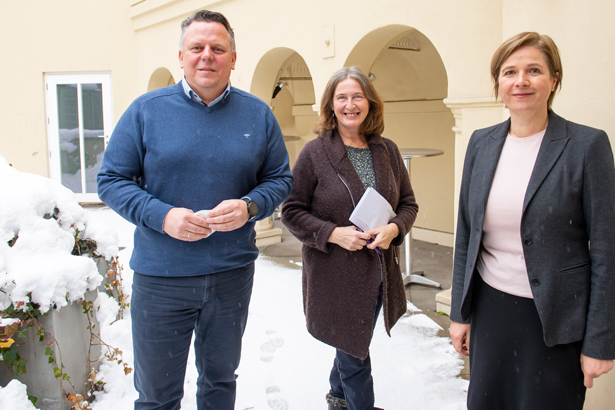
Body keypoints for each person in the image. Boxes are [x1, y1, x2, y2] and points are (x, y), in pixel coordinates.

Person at [97, 9, 292, 410]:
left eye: (218, 48)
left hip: (231, 275)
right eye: (197, 47)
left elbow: (280, 180)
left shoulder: (258, 115)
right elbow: (111, 180)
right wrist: (162, 215)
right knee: (156, 397)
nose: (207, 56)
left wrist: (249, 206)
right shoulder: (146, 111)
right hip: (161, 277)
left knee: (220, 383)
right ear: (181, 56)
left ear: (233, 58)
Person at [449, 32, 615, 410]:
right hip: (491, 311)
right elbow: (466, 235)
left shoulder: (587, 146)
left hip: (556, 322)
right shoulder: (481, 142)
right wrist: (461, 313)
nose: (520, 81)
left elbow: (607, 249)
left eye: (534, 70)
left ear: (554, 80)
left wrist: (600, 342)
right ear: (499, 84)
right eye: (509, 72)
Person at [281, 66, 418, 410]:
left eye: (357, 96)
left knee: (350, 344)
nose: (350, 104)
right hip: (333, 276)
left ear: (370, 103)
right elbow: (292, 210)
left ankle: (337, 399)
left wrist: (394, 229)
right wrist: (332, 234)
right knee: (355, 353)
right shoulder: (314, 153)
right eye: (341, 97)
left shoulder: (387, 150)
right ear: (330, 105)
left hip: (377, 275)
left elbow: (408, 205)